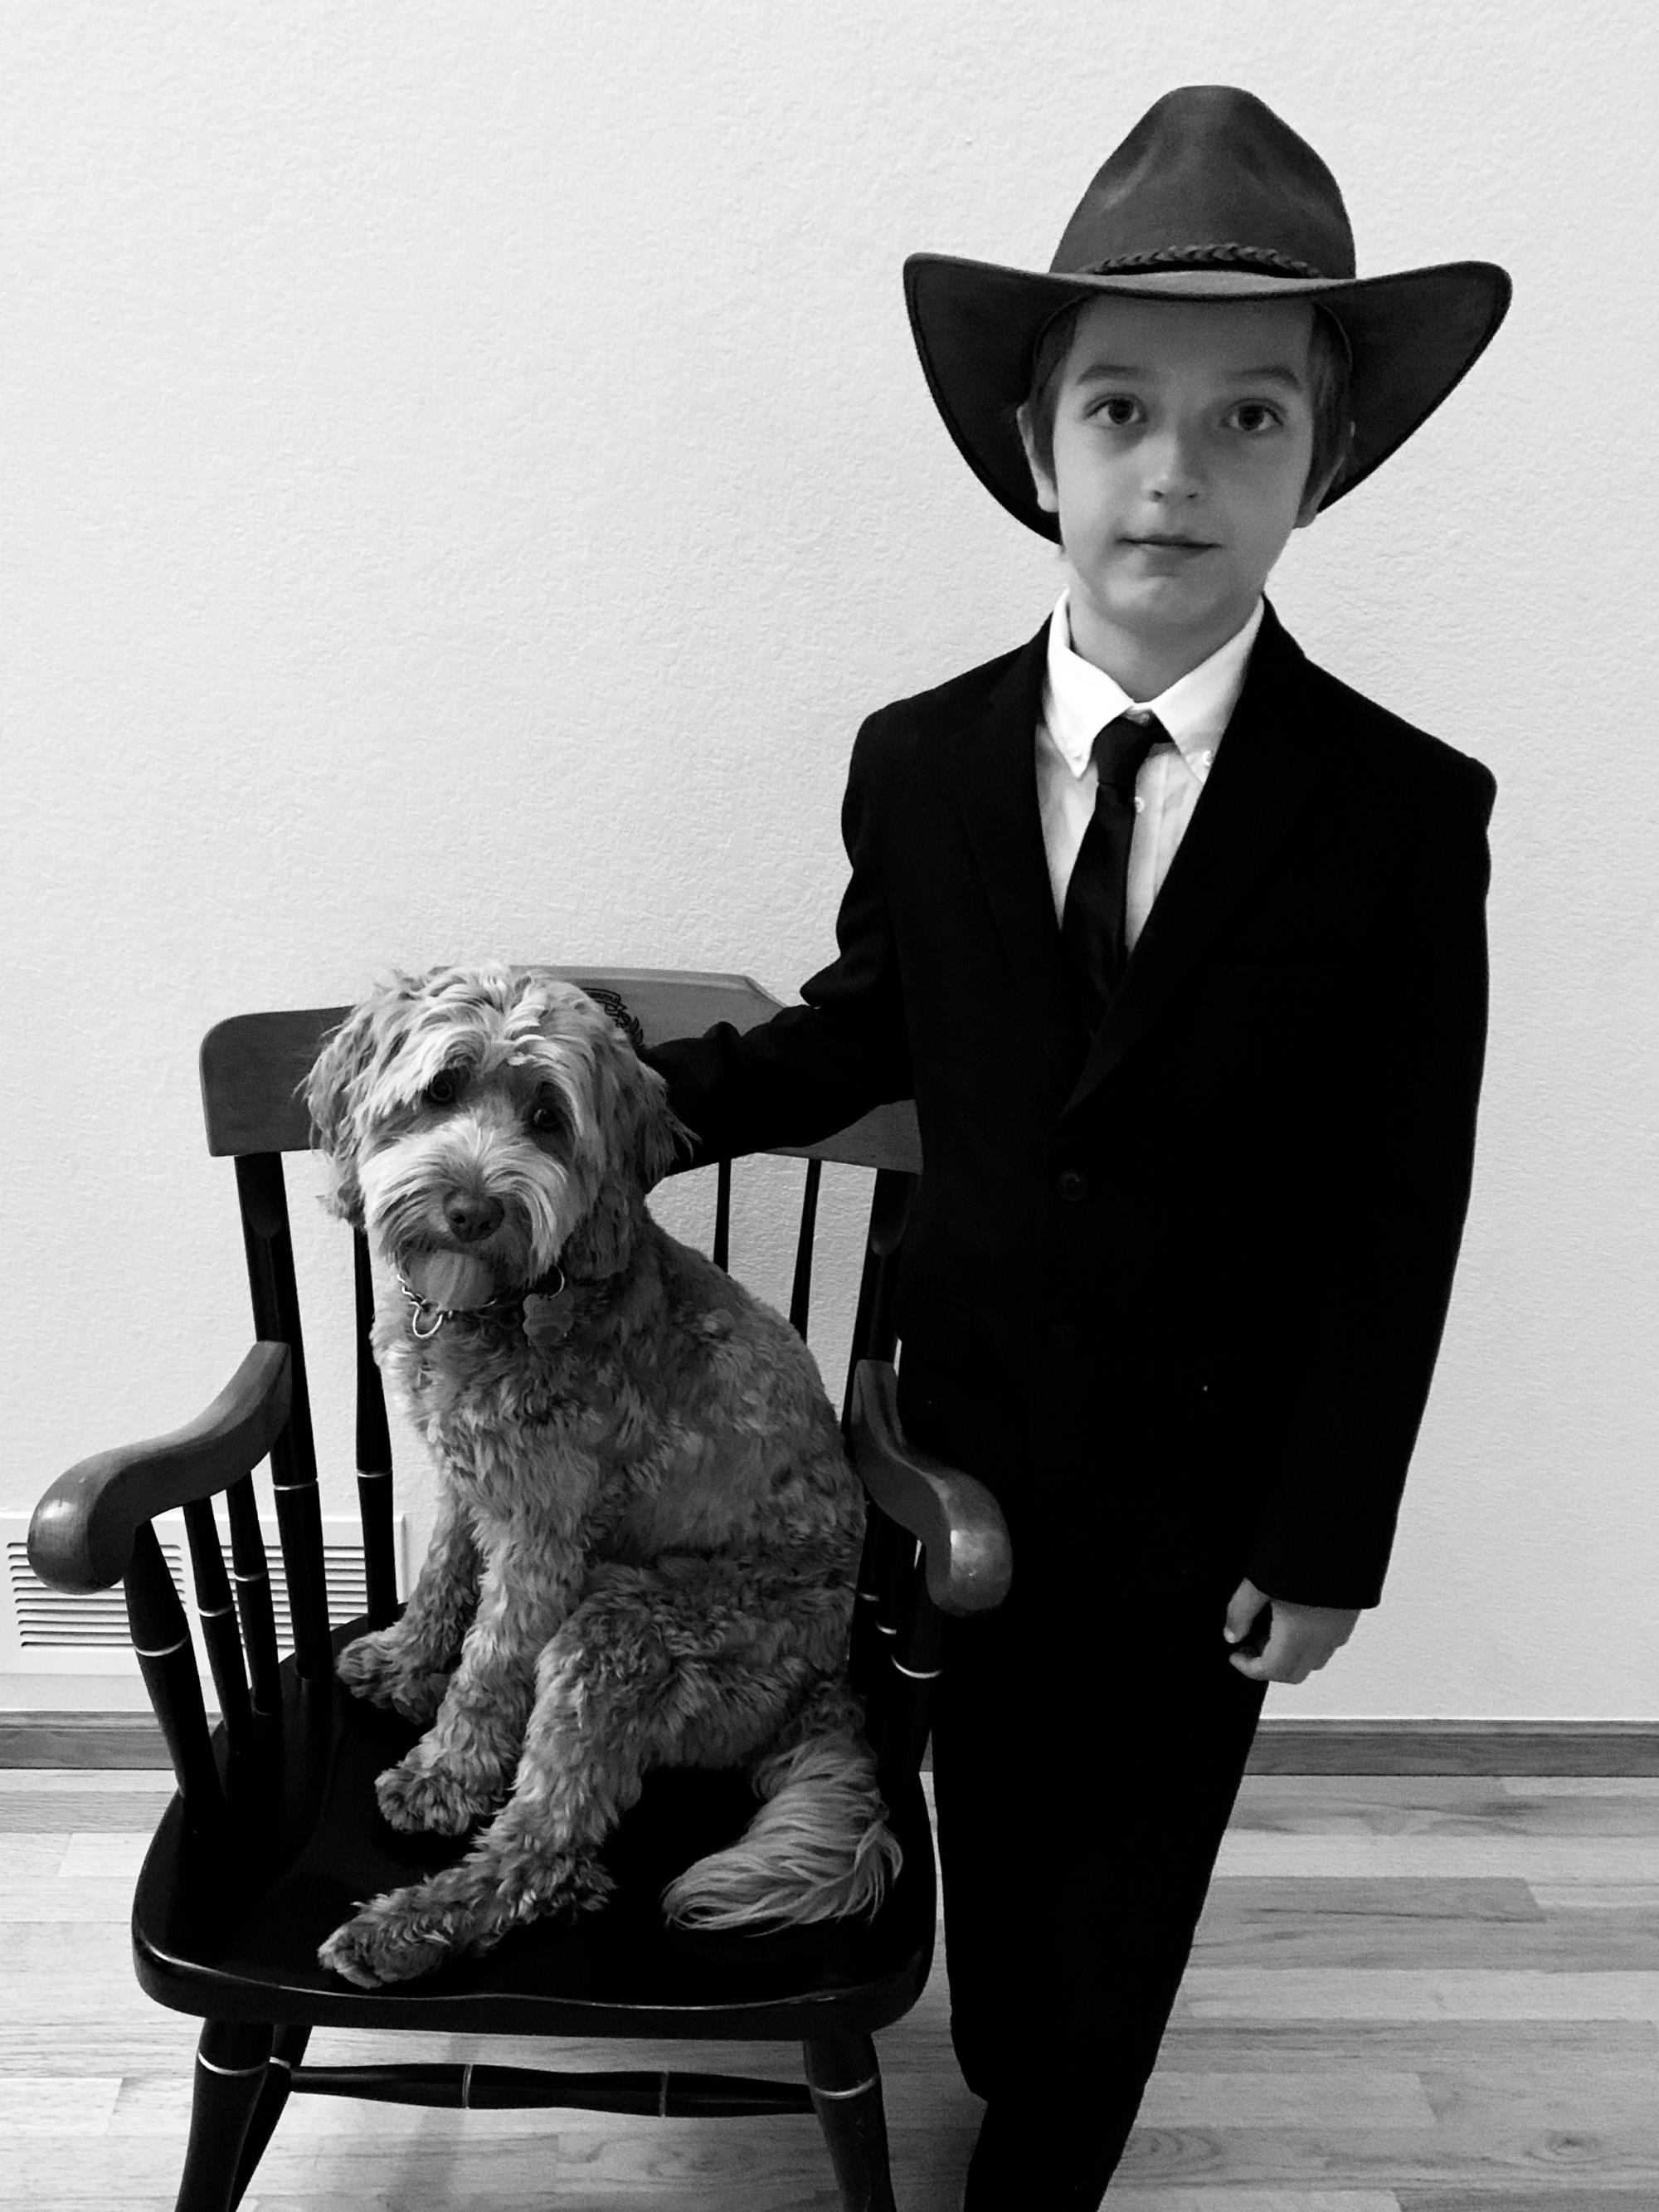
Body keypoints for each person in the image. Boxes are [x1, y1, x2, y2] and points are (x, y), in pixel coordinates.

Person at [644, 85, 1510, 2209]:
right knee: (946, 1793)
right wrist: (644, 1101)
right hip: (955, 1429)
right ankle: (917, 2017)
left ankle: (1053, 2125)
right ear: (1037, 450)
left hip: (1207, 1479)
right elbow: (877, 1018)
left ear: (1324, 460)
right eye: (1120, 407)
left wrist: (1329, 1533)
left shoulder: (1399, 815)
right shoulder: (923, 763)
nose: (1173, 469)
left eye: (1246, 422)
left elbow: (1404, 1199)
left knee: (1118, 1867)